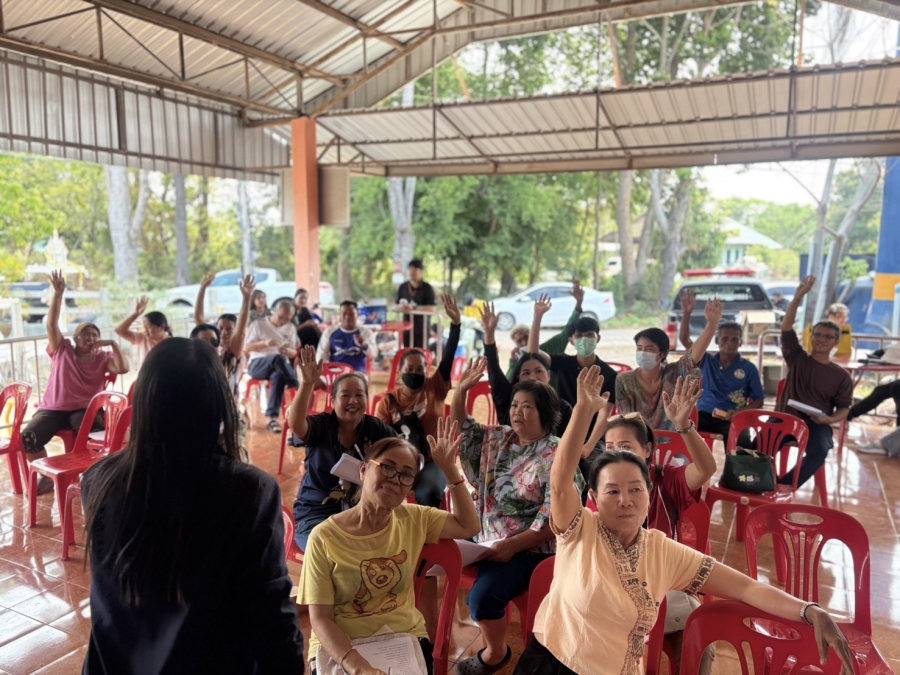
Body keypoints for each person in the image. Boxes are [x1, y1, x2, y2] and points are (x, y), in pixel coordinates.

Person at [513, 366, 855, 675]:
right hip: (555, 665)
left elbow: (745, 587)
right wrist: (584, 411)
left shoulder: (662, 550)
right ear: (594, 497)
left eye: (635, 489)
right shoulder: (580, 531)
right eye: (612, 491)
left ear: (649, 491)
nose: (625, 500)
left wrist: (811, 611)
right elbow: (560, 484)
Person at [81, 338, 305, 674]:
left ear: (143, 401)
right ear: (218, 405)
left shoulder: (98, 479)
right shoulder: (249, 491)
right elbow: (271, 616)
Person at [298, 422, 481, 675]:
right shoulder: (324, 538)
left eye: (406, 475)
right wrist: (358, 667)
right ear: (363, 470)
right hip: (342, 646)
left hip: (401, 639)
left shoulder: (415, 518)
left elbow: (469, 525)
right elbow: (320, 619)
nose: (395, 479)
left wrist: (449, 470)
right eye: (387, 467)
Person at [450, 358, 585, 674]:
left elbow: (556, 521)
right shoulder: (500, 438)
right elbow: (463, 429)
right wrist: (461, 391)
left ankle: (495, 653)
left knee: (481, 600)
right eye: (514, 405)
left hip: (531, 550)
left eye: (527, 406)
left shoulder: (557, 453)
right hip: (487, 542)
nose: (517, 412)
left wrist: (512, 546)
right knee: (431, 551)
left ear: (545, 413)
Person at [22, 270, 129, 495]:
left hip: (85, 410)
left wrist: (113, 344)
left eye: (95, 335)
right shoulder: (63, 350)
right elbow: (51, 326)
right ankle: (47, 477)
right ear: (75, 338)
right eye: (85, 335)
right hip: (53, 409)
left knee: (97, 435)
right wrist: (58, 294)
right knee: (28, 438)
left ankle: (92, 478)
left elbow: (123, 368)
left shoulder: (103, 358)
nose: (90, 338)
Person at [480, 304, 604, 488]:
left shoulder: (562, 408)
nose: (533, 377)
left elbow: (572, 446)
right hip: (513, 474)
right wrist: (489, 334)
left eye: (539, 371)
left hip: (554, 475)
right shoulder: (507, 402)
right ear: (518, 379)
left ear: (548, 376)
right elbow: (494, 370)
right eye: (526, 373)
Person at [288, 346, 397, 551]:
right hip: (316, 514)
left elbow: (402, 452)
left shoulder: (375, 428)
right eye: (345, 395)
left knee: (383, 550)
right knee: (330, 552)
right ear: (333, 401)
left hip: (362, 512)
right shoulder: (322, 425)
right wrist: (307, 384)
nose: (353, 401)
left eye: (359, 395)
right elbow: (297, 425)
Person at [374, 295, 461, 507]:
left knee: (429, 492)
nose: (414, 372)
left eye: (420, 368)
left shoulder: (435, 387)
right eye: (409, 368)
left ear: (427, 370)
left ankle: (427, 528)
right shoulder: (388, 402)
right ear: (400, 371)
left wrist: (456, 325)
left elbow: (448, 356)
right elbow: (381, 440)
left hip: (433, 461)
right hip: (399, 462)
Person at [776, 276, 852, 488]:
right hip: (785, 420)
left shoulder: (842, 376)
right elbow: (786, 326)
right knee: (752, 445)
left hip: (816, 424)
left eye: (827, 337)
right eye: (817, 335)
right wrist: (798, 297)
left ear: (836, 342)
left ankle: (783, 486)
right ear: (811, 337)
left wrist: (829, 420)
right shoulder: (797, 358)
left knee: (820, 450)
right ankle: (756, 484)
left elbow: (844, 408)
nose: (821, 339)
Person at [614, 296, 723, 431]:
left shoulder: (675, 373)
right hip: (638, 440)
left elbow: (693, 355)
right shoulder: (624, 381)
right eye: (639, 348)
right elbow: (626, 422)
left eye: (649, 349)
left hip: (674, 440)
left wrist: (712, 324)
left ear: (663, 354)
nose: (642, 353)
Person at [680, 291, 765, 442]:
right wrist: (687, 313)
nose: (729, 343)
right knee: (680, 431)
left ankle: (735, 459)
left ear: (740, 343)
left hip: (730, 418)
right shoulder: (706, 359)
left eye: (734, 340)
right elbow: (684, 339)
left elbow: (759, 400)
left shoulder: (749, 368)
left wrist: (740, 411)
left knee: (744, 442)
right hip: (703, 415)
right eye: (725, 339)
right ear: (717, 340)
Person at [528, 294, 618, 407]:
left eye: (589, 335)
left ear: (598, 339)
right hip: (562, 418)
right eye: (579, 335)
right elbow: (533, 353)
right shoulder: (563, 363)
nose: (584, 339)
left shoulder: (609, 374)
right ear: (571, 341)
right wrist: (537, 317)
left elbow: (604, 413)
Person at [505, 280, 587, 381]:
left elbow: (567, 332)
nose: (524, 342)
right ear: (515, 344)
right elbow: (507, 384)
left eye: (526, 337)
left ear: (532, 335)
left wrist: (578, 304)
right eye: (519, 341)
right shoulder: (518, 361)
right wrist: (513, 362)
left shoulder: (549, 348)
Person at [194, 273, 255, 392]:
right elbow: (199, 319)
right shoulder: (213, 348)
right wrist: (202, 289)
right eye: (220, 328)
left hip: (226, 397)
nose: (224, 332)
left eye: (229, 329)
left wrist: (247, 298)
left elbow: (241, 331)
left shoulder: (234, 352)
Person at [245, 300, 300, 434]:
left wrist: (285, 350)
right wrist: (264, 343)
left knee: (279, 375)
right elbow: (246, 347)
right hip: (258, 364)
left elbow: (293, 353)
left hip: (279, 367)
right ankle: (295, 384)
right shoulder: (259, 324)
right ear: (274, 311)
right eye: (280, 317)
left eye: (287, 319)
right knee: (277, 358)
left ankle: (271, 418)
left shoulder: (290, 328)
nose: (282, 321)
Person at [317, 301, 378, 374]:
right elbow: (321, 354)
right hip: (335, 372)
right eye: (344, 314)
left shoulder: (366, 333)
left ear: (358, 315)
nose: (347, 317)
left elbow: (374, 354)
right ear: (340, 315)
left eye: (351, 314)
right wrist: (321, 371)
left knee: (356, 380)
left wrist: (364, 345)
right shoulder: (329, 332)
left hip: (357, 372)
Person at [396, 258, 436, 349]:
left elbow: (432, 309)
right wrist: (402, 307)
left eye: (414, 273)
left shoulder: (427, 288)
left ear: (421, 272)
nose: (412, 275)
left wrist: (414, 308)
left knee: (421, 352)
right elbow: (396, 305)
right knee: (407, 352)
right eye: (410, 273)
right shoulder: (403, 287)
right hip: (407, 328)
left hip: (422, 328)